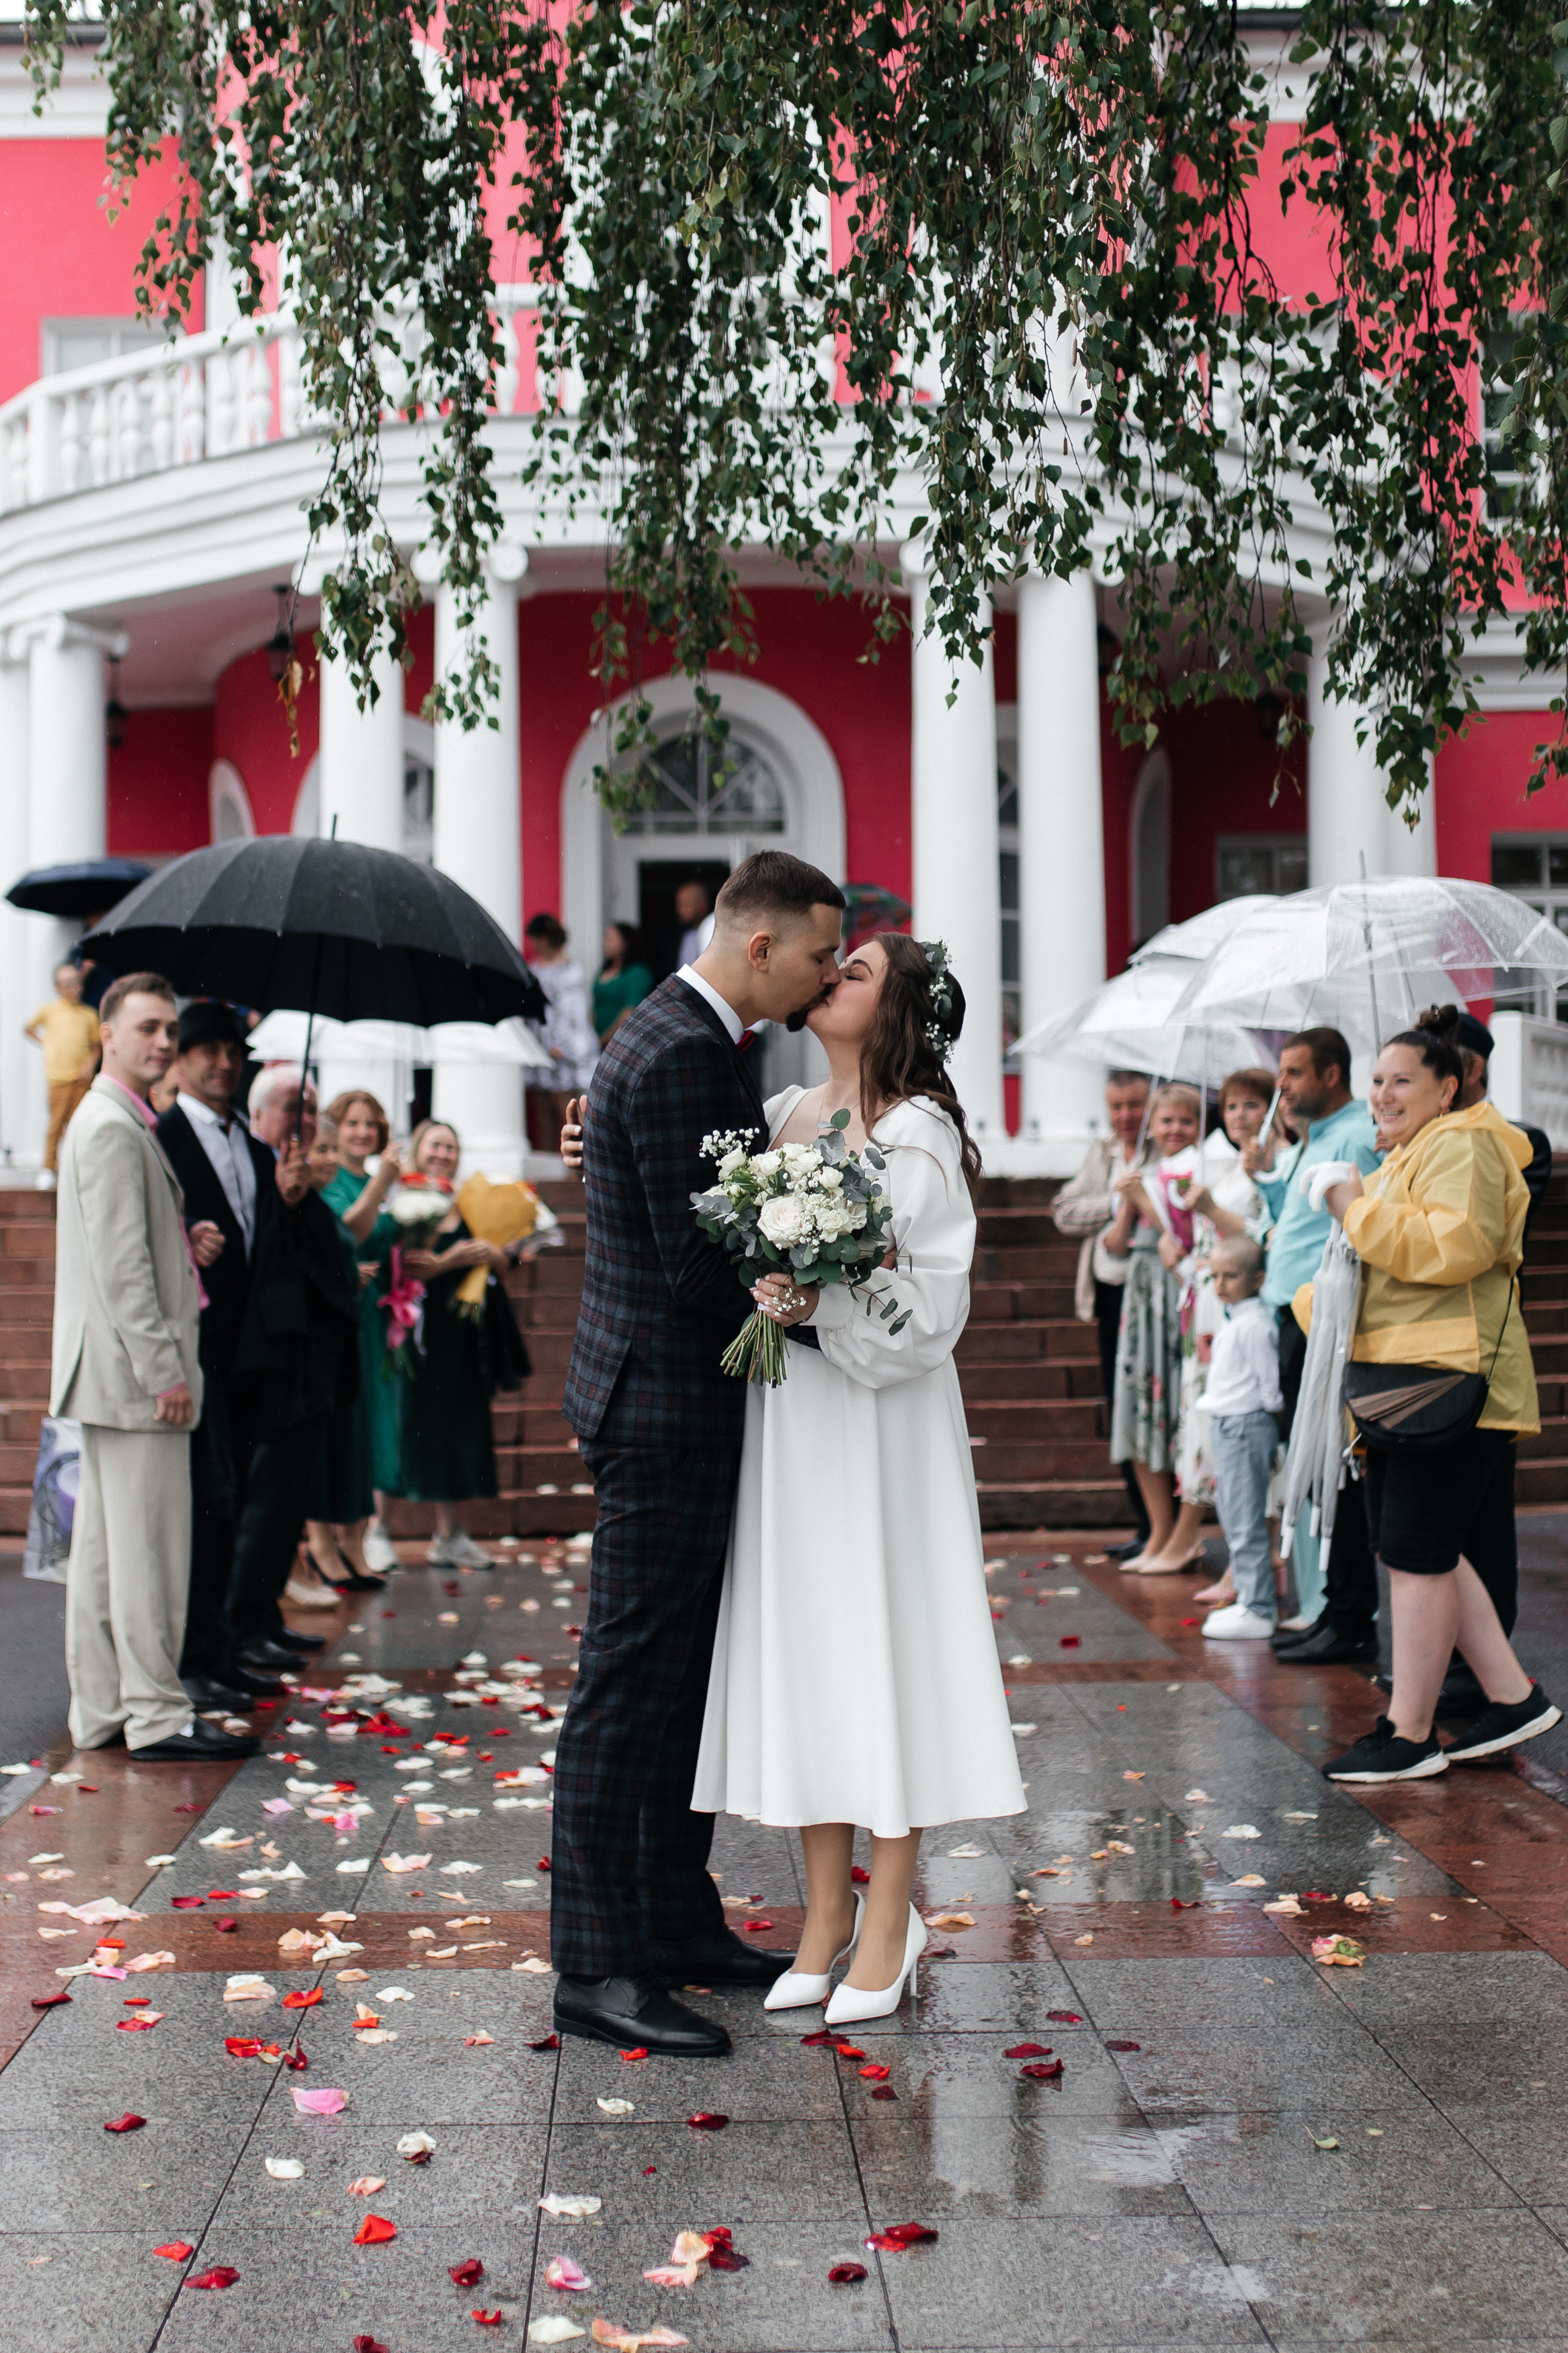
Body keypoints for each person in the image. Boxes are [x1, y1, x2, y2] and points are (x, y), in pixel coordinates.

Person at [694, 934, 1026, 2025]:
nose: (832, 976)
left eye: (859, 972)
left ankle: (890, 1918)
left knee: (881, 1643)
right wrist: (768, 1290)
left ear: (898, 1014)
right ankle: (823, 1917)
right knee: (814, 1650)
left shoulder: (917, 1134)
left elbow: (932, 1310)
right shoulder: (786, 1115)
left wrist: (828, 1300)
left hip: (883, 1424)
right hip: (794, 1422)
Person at [551, 848, 845, 2058]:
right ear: (762, 944)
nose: (829, 975)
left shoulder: (677, 1034)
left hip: (661, 1397)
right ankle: (596, 1962)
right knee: (627, 1689)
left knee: (676, 1687)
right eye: (821, 951)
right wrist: (825, 1270)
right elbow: (694, 1264)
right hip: (664, 1407)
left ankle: (671, 1920)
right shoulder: (680, 1051)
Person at [1318, 1007, 1561, 1782]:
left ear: (1446, 1086)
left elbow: (1448, 1249)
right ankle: (1510, 1695)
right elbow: (1372, 1274)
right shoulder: (1408, 1153)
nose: (1382, 1094)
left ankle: (1408, 1730)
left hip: (1449, 1375)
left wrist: (1353, 1209)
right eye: (1375, 1081)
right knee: (1423, 1548)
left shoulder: (1462, 1144)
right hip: (1407, 1376)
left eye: (1401, 1080)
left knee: (1418, 1553)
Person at [51, 973, 254, 1761]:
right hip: (136, 1377)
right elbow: (120, 1268)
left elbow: (135, 1245)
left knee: (106, 1553)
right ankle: (157, 1714)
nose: (164, 1041)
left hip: (109, 1372)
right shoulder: (109, 1125)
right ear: (107, 1033)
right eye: (148, 1027)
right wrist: (165, 1369)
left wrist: (185, 1239)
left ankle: (101, 1709)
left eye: (169, 1027)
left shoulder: (117, 1119)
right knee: (148, 1554)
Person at [155, 1000, 290, 1710]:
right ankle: (193, 1658)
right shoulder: (163, 1135)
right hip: (191, 1345)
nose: (223, 1061)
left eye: (233, 1050)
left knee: (233, 1499)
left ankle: (225, 1645)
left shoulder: (256, 1144)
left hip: (247, 1349)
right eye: (207, 1049)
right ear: (181, 1057)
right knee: (204, 1507)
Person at [223, 1064, 362, 1680]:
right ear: (257, 1118)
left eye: (309, 1109)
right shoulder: (250, 1170)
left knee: (287, 1507)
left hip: (315, 1371)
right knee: (262, 1506)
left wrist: (303, 1203)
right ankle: (240, 1625)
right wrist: (279, 1200)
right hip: (264, 1369)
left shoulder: (313, 1189)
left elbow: (334, 1270)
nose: (301, 1120)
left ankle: (263, 1617)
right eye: (289, 1107)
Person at [1251, 1028, 1385, 1667]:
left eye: (1294, 1073)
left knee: (1334, 1470)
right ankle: (1337, 1607)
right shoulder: (1316, 1138)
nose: (1282, 1085)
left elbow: (1369, 1219)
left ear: (1331, 1075)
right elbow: (1303, 1215)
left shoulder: (1357, 1135)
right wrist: (1270, 1180)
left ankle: (1351, 1615)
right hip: (1293, 1312)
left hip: (1322, 1320)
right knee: (1311, 1467)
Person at [1176, 1066, 1282, 1607]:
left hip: (1247, 1306)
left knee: (1247, 1449)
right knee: (1216, 1442)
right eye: (1231, 1106)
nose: (1239, 1116)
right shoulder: (1222, 1164)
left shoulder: (1266, 1166)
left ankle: (1254, 1568)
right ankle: (1242, 1564)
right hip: (1215, 1306)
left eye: (1250, 1105)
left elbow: (1258, 1238)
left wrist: (1210, 1210)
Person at [393, 1119, 508, 1568]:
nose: (443, 1154)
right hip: (411, 1328)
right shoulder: (403, 1200)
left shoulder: (468, 1201)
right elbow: (409, 1266)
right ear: (418, 1149)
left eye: (451, 1147)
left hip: (461, 1333)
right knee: (405, 1422)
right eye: (435, 1145)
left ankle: (451, 1533)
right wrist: (449, 1260)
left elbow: (503, 1259)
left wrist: (491, 1253)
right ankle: (378, 1528)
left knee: (458, 1427)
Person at [1102, 1084, 1206, 1570]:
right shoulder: (1144, 1174)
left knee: (1177, 1411)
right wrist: (1128, 1203)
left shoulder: (1199, 1172)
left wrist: (1145, 1199)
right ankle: (1158, 1531)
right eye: (1166, 1121)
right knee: (1139, 1408)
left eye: (1184, 1121)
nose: (1174, 1130)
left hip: (1178, 1294)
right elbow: (1115, 1245)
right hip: (1141, 1293)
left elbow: (1183, 1236)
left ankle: (1181, 1536)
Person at [1051, 1072, 1155, 1554]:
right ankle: (1146, 1524)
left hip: (1157, 1291)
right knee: (1119, 1402)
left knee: (1152, 1403)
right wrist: (1117, 1203)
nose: (1125, 1116)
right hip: (1112, 1292)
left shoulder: (1168, 1140)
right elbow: (1064, 1211)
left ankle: (1165, 1528)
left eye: (1134, 1105)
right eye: (1117, 1107)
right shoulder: (1104, 1152)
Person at [298, 1111, 386, 1598]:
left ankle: (352, 1544)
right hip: (320, 1339)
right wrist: (344, 1278)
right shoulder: (309, 1205)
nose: (331, 1159)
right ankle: (321, 1545)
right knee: (328, 1443)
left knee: (355, 1437)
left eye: (334, 1150)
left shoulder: (323, 1205)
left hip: (349, 1332)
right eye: (323, 1149)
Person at [322, 1090, 404, 1572]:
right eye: (352, 1123)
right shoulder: (331, 1180)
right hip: (344, 1312)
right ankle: (333, 1538)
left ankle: (364, 1534)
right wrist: (382, 1185)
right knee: (350, 1418)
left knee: (376, 1418)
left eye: (370, 1125)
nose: (362, 1133)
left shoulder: (384, 1181)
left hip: (379, 1311)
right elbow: (347, 1233)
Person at [1198, 1235, 1285, 1639]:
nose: (1220, 1285)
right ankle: (1249, 1599)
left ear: (1257, 1278)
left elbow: (1269, 1381)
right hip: (1229, 1423)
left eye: (1231, 1276)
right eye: (1214, 1275)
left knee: (1246, 1518)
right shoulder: (1236, 1319)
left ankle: (1259, 1607)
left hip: (1247, 1424)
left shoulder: (1254, 1324)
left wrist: (1269, 1413)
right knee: (1234, 1517)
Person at [25, 959, 102, 1189]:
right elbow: (29, 1029)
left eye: (78, 982)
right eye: (68, 984)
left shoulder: (89, 1014)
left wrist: (90, 1064)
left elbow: (97, 1045)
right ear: (58, 987)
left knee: (80, 1126)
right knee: (56, 1125)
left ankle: (79, 1169)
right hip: (58, 1078)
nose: (75, 988)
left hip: (82, 1079)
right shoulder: (48, 1011)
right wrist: (46, 1043)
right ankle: (49, 1167)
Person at [525, 914, 599, 1143]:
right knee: (543, 1110)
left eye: (537, 939)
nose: (534, 945)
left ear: (547, 939)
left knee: (566, 1110)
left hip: (562, 1051)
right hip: (541, 1046)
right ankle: (550, 1169)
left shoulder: (569, 970)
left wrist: (562, 1044)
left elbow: (572, 1012)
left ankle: (574, 1169)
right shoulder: (535, 968)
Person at [592, 921, 654, 1043]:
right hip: (596, 1043)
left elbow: (630, 1010)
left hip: (621, 1041)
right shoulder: (604, 970)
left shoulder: (637, 972)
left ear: (626, 943)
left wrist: (603, 1040)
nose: (605, 944)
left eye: (610, 939)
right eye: (605, 939)